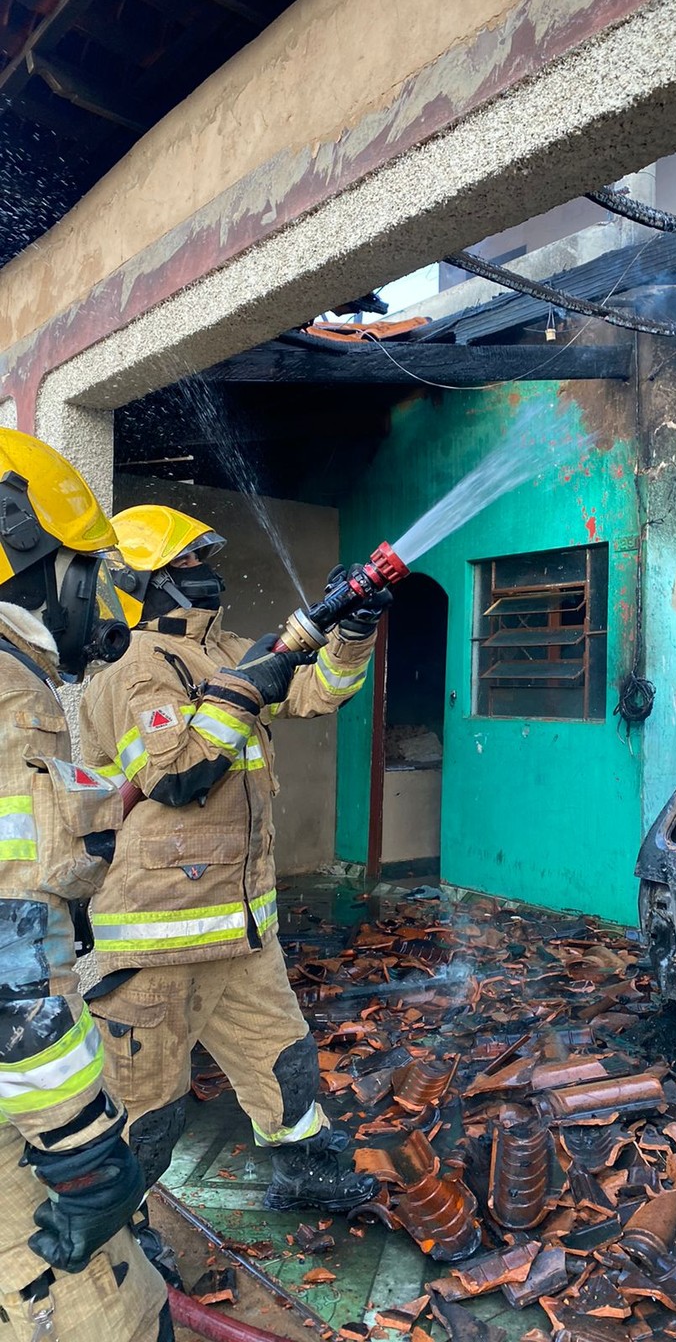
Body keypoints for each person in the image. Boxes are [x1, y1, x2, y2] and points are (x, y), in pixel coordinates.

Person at [78, 504, 387, 1213]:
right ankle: (118, 1229)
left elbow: (315, 692)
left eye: (202, 560)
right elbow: (176, 775)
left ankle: (305, 1173)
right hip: (163, 935)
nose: (206, 574)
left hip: (241, 925)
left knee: (282, 1060)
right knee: (146, 1104)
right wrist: (246, 685)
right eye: (187, 563)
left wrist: (353, 631)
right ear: (142, 583)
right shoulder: (133, 671)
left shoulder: (220, 651)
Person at [0, 430, 171, 1341]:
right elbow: (10, 960)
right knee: (114, 1315)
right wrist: (83, 1154)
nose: (97, 598)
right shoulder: (8, 694)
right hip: (20, 1112)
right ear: (19, 537)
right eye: (85, 565)